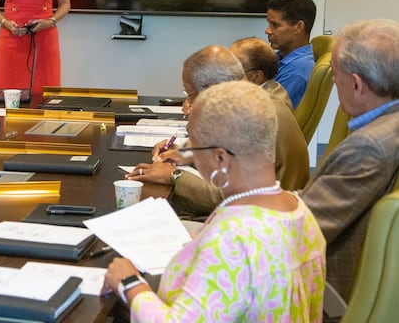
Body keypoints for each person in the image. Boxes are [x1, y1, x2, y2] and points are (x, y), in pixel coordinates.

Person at [104, 81, 326, 321]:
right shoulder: (298, 209)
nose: (189, 156)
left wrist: (129, 284)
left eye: (193, 146)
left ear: (220, 158)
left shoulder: (231, 240)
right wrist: (201, 242)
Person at [128, 45, 309, 216]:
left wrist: (174, 176)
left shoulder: (248, 116)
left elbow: (228, 194)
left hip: (259, 220)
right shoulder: (262, 97)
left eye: (190, 94)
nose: (190, 102)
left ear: (211, 89)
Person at [300, 19, 399, 300]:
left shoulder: (368, 147)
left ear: (356, 84)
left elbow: (301, 231)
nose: (333, 81)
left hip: (319, 291)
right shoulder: (389, 128)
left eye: (335, 74)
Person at [265, 0, 317, 108]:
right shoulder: (281, 58)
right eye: (268, 24)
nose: (267, 31)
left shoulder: (297, 72)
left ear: (298, 27)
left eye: (275, 25)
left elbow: (266, 114)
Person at [230, 36, 292, 109]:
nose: (227, 76)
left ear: (257, 77)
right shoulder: (273, 88)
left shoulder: (262, 108)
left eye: (235, 71)